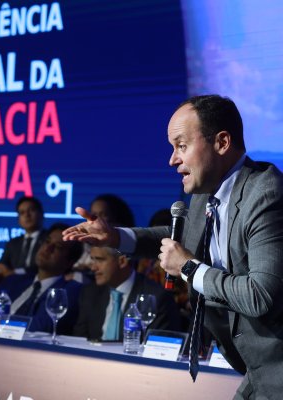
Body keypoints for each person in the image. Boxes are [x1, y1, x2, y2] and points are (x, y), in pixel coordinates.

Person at [63, 95, 283, 399]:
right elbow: (177, 238)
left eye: (181, 146)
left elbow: (261, 296)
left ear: (221, 143)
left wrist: (189, 268)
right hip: (255, 367)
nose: (172, 160)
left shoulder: (266, 193)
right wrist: (115, 237)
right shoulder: (207, 192)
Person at [73, 246, 181, 341]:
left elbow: (158, 348)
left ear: (122, 261)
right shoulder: (90, 293)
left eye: (100, 260)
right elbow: (79, 340)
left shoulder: (157, 297)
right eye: (93, 260)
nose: (93, 268)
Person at [0, 196, 47, 295]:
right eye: (22, 213)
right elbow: (4, 264)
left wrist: (15, 272)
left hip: (39, 287)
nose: (27, 215)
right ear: (18, 220)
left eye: (31, 210)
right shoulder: (13, 243)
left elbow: (45, 267)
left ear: (41, 214)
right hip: (13, 288)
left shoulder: (48, 240)